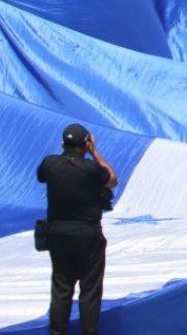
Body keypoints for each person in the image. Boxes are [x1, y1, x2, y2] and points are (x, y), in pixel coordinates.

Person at [37, 123, 117, 335]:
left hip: (58, 235)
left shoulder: (50, 164)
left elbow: (41, 176)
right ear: (85, 144)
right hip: (88, 236)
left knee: (61, 289)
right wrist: (94, 152)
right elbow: (112, 179)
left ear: (63, 143)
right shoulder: (92, 169)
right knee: (90, 291)